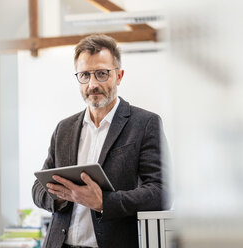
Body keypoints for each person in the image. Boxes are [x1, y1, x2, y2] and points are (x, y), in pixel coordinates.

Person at [32, 34, 169, 248]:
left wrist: (104, 202)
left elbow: (162, 193)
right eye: (85, 75)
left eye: (102, 74)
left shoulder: (144, 123)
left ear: (119, 76)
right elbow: (38, 189)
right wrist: (60, 197)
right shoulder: (64, 129)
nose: (93, 84)